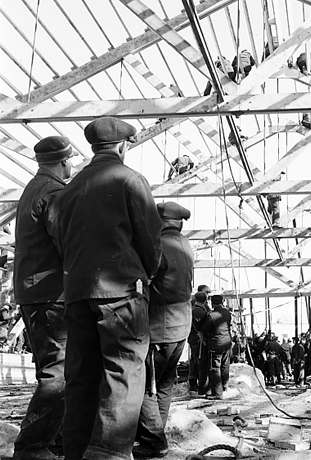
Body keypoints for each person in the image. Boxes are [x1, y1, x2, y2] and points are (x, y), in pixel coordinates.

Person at [57, 116, 162, 460]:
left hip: (76, 294)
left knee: (81, 376)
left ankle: (76, 450)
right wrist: (144, 275)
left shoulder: (69, 188)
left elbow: (61, 239)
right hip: (119, 293)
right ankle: (108, 452)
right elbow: (149, 238)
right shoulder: (130, 179)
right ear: (123, 145)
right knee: (124, 370)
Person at [12, 136, 76, 460]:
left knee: (54, 369)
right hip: (50, 294)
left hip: (34, 292)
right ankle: (32, 447)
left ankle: (56, 441)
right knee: (59, 373)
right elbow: (67, 242)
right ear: (65, 161)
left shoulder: (31, 189)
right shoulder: (53, 192)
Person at [134, 202, 193, 458]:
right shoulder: (185, 245)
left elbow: (141, 277)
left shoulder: (159, 246)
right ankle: (156, 435)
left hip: (161, 327)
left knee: (144, 385)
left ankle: (154, 441)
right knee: (165, 384)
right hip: (181, 327)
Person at [199, 294, 232, 399]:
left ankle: (217, 393)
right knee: (225, 366)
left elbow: (204, 330)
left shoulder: (211, 315)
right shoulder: (227, 313)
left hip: (215, 344)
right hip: (227, 342)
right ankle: (225, 386)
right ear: (222, 302)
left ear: (212, 303)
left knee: (214, 368)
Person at [187, 291, 210, 395]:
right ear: (205, 300)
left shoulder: (190, 310)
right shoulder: (201, 312)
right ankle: (202, 386)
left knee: (194, 361)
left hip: (192, 339)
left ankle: (192, 383)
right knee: (202, 363)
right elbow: (205, 328)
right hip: (199, 341)